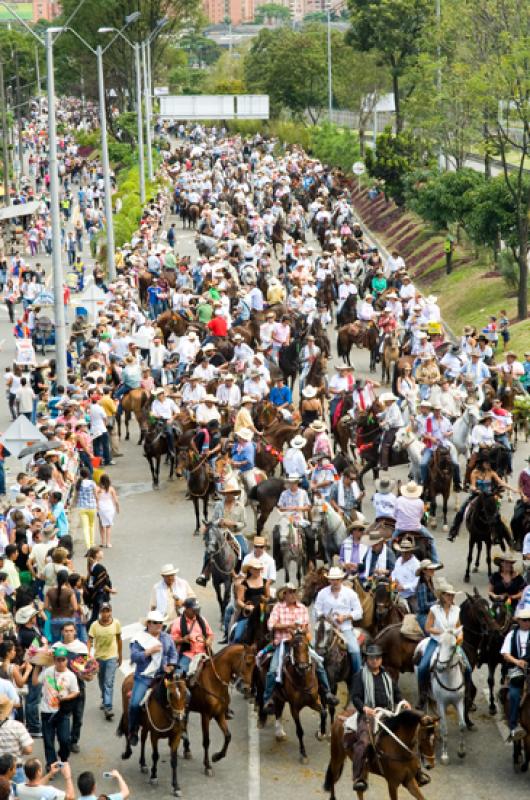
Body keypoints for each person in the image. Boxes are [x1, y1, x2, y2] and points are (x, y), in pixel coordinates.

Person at [262, 584, 338, 713]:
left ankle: (327, 692)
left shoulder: (302, 608)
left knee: (319, 663)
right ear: (284, 594)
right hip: (284, 642)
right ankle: (268, 699)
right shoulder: (278, 607)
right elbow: (271, 625)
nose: (292, 594)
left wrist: (301, 629)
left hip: (300, 643)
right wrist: (288, 626)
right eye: (290, 592)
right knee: (273, 670)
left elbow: (306, 626)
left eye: (294, 592)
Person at [349, 644, 410, 792]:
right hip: (369, 714)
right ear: (367, 659)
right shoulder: (359, 676)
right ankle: (359, 776)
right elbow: (355, 697)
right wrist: (365, 708)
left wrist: (404, 702)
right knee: (363, 741)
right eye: (371, 658)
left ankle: (416, 770)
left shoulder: (387, 675)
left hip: (388, 712)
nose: (375, 661)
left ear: (381, 659)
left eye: (377, 658)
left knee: (410, 733)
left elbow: (396, 694)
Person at [127, 609, 178, 747]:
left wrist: (171, 666)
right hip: (144, 677)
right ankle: (133, 730)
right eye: (156, 623)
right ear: (148, 623)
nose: (159, 626)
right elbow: (134, 657)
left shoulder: (166, 638)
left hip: (163, 675)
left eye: (161, 623)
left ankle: (180, 726)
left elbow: (173, 654)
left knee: (182, 696)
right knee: (134, 704)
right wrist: (149, 651)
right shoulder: (138, 639)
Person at [416, 581, 465, 706]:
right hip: (436, 641)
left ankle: (467, 695)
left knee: (468, 668)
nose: (451, 598)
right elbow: (428, 627)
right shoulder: (434, 610)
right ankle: (423, 694)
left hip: (452, 643)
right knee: (423, 667)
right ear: (442, 596)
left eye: (452, 595)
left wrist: (460, 638)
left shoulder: (456, 610)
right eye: (448, 595)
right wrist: (442, 632)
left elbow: (459, 627)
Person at [448, 454, 514, 541]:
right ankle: (454, 532)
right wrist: (475, 489)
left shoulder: (491, 473)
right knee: (461, 511)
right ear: (482, 463)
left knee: (496, 514)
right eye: (486, 463)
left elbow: (501, 482)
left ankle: (497, 535)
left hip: (489, 497)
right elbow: (472, 485)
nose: (488, 465)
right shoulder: (475, 472)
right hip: (477, 495)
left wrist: (513, 489)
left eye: (489, 463)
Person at [34, 646, 79, 772]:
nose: (60, 662)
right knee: (48, 742)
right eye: (58, 660)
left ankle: (63, 759)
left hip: (62, 712)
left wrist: (65, 698)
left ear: (67, 660)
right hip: (46, 711)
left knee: (65, 740)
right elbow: (35, 682)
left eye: (63, 660)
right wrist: (38, 665)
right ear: (54, 660)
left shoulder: (71, 676)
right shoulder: (48, 671)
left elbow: (75, 692)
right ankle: (51, 764)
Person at [314, 566, 363, 677]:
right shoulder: (322, 593)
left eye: (337, 579)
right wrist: (325, 617)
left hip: (344, 629)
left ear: (341, 579)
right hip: (326, 628)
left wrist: (345, 617)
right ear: (329, 580)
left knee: (354, 650)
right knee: (312, 648)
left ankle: (358, 676)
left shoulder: (350, 593)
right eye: (332, 579)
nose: (335, 582)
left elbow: (359, 612)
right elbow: (316, 610)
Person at [197, 478, 247, 586]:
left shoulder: (240, 507)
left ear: (234, 494)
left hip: (235, 533)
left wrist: (233, 523)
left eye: (231, 493)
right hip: (220, 533)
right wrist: (219, 521)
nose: (229, 495)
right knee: (209, 550)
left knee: (244, 551)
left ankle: (242, 574)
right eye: (227, 493)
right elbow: (213, 520)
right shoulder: (219, 505)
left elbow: (243, 524)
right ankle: (204, 575)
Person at [88, 603, 122, 722]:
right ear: (100, 612)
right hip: (99, 657)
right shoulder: (94, 625)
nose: (105, 614)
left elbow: (119, 639)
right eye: (103, 611)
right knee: (101, 680)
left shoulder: (116, 623)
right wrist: (88, 655)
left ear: (111, 612)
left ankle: (108, 707)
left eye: (108, 611)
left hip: (111, 657)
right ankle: (104, 697)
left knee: (109, 682)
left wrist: (120, 655)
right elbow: (90, 640)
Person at [500, 607, 530, 742]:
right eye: (525, 620)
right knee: (513, 694)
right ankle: (513, 725)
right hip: (516, 669)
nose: (528, 622)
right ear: (519, 621)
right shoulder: (512, 635)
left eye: (529, 620)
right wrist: (517, 662)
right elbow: (505, 654)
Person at [392, 480, 439, 561]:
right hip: (416, 528)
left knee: (390, 542)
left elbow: (394, 514)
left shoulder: (399, 500)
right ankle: (435, 561)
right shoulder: (420, 502)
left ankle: (391, 560)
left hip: (401, 529)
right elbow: (422, 516)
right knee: (431, 539)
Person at [171, 598, 214, 673]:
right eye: (193, 610)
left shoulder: (202, 620)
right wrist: (183, 640)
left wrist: (208, 641)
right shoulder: (177, 622)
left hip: (203, 652)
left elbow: (210, 634)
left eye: (197, 609)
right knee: (178, 674)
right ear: (186, 609)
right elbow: (172, 640)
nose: (196, 612)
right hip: (188, 654)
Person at [231, 559, 269, 643]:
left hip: (262, 613)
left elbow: (268, 597)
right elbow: (239, 600)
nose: (258, 571)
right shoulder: (243, 584)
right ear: (250, 570)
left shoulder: (265, 582)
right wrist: (246, 606)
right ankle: (233, 648)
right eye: (255, 569)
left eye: (259, 569)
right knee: (238, 636)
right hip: (248, 614)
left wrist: (265, 600)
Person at [391, 538, 420, 610]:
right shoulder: (398, 560)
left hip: (410, 595)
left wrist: (404, 587)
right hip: (396, 592)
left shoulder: (416, 564)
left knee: (416, 613)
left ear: (411, 552)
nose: (404, 554)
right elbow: (394, 572)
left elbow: (417, 582)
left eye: (406, 552)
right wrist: (394, 580)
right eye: (402, 552)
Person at [414, 559, 443, 631]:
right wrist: (437, 602)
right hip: (424, 615)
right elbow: (423, 606)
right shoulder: (422, 585)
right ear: (424, 571)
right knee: (432, 633)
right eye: (430, 569)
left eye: (433, 568)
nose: (433, 570)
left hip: (432, 612)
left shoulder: (430, 582)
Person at [76, 468, 98, 550]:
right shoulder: (92, 483)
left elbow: (77, 495)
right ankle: (92, 543)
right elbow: (95, 495)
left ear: (80, 474)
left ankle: (88, 546)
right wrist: (98, 504)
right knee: (92, 525)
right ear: (88, 474)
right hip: (92, 506)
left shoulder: (79, 483)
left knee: (85, 527)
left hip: (82, 507)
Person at [95, 474, 119, 549]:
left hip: (101, 508)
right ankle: (108, 543)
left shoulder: (98, 489)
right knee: (108, 526)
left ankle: (102, 542)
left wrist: (97, 506)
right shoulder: (111, 489)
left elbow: (96, 498)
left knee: (101, 525)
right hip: (109, 508)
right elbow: (115, 499)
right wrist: (118, 507)